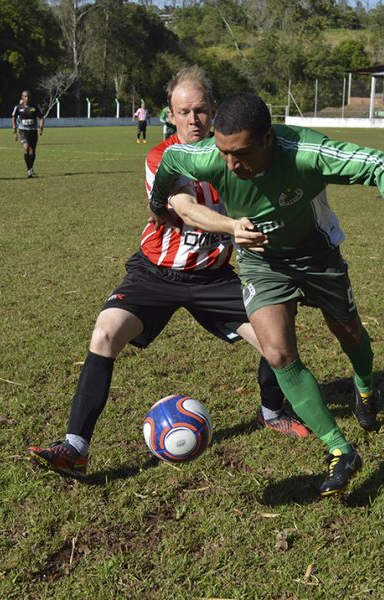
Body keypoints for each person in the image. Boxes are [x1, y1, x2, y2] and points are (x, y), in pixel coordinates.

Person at [149, 92, 384, 496]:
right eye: (225, 153)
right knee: (277, 352)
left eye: (241, 153)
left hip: (317, 253)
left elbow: (383, 164)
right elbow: (173, 160)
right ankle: (339, 449)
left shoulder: (306, 152)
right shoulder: (210, 156)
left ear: (268, 139)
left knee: (348, 332)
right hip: (262, 262)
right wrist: (160, 203)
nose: (231, 165)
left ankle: (365, 386)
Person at [27, 67, 309, 480]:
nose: (193, 119)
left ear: (214, 112)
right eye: (184, 111)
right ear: (171, 116)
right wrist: (232, 227)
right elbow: (185, 208)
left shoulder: (237, 155)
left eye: (200, 110)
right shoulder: (162, 157)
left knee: (276, 339)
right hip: (154, 274)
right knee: (105, 333)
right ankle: (75, 448)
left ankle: (272, 412)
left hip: (213, 277)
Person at [12, 90, 44, 178]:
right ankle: (29, 169)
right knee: (26, 148)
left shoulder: (35, 106)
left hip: (33, 131)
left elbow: (41, 117)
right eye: (25, 96)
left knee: (32, 150)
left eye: (29, 96)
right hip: (23, 131)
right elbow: (13, 118)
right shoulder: (18, 107)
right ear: (22, 97)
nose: (27, 98)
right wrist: (14, 132)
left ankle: (31, 168)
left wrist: (41, 128)